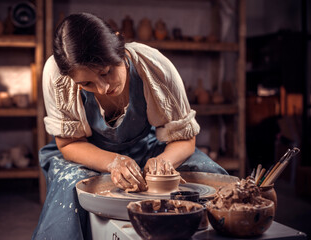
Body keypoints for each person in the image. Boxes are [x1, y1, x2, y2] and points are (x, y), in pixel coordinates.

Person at [32, 12, 227, 240]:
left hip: (145, 147)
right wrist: (113, 162)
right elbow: (68, 143)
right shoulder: (57, 75)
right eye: (86, 84)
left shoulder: (155, 66)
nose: (103, 88)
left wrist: (163, 162)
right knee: (71, 185)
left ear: (119, 47)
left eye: (106, 72)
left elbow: (184, 138)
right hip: (86, 153)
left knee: (207, 175)